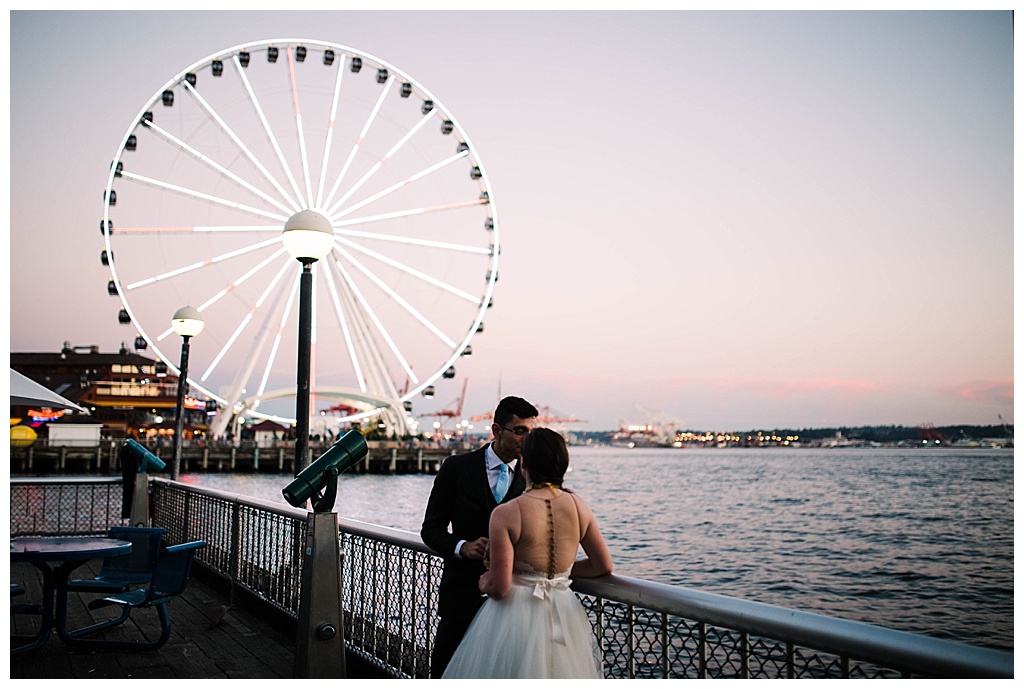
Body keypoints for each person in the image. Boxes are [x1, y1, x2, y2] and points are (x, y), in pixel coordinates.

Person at [442, 427, 613, 679]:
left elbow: (499, 587)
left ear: (524, 463)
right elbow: (602, 566)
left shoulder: (507, 513)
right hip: (563, 608)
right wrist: (556, 574)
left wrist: (485, 581)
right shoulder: (579, 506)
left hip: (515, 613)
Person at [420, 395, 540, 678]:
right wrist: (463, 547)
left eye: (531, 433)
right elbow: (431, 529)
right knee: (445, 672)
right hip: (461, 594)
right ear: (497, 430)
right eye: (520, 431)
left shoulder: (531, 478)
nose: (526, 439)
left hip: (512, 601)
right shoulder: (457, 468)